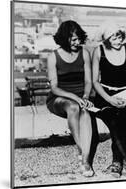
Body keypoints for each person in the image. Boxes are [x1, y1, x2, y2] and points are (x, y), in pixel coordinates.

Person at [46, 20, 96, 177]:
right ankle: (82, 151)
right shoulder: (53, 57)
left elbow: (88, 81)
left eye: (79, 38)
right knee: (74, 107)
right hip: (60, 98)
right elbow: (54, 88)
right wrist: (75, 97)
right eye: (73, 39)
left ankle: (85, 161)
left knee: (85, 111)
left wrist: (86, 96)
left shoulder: (84, 53)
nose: (78, 42)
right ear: (64, 38)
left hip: (82, 96)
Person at [92, 21, 126, 178]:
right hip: (105, 98)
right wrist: (109, 100)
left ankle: (116, 163)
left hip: (125, 96)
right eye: (114, 39)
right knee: (114, 124)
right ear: (106, 40)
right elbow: (95, 81)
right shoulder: (98, 51)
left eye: (119, 37)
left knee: (123, 129)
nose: (118, 41)